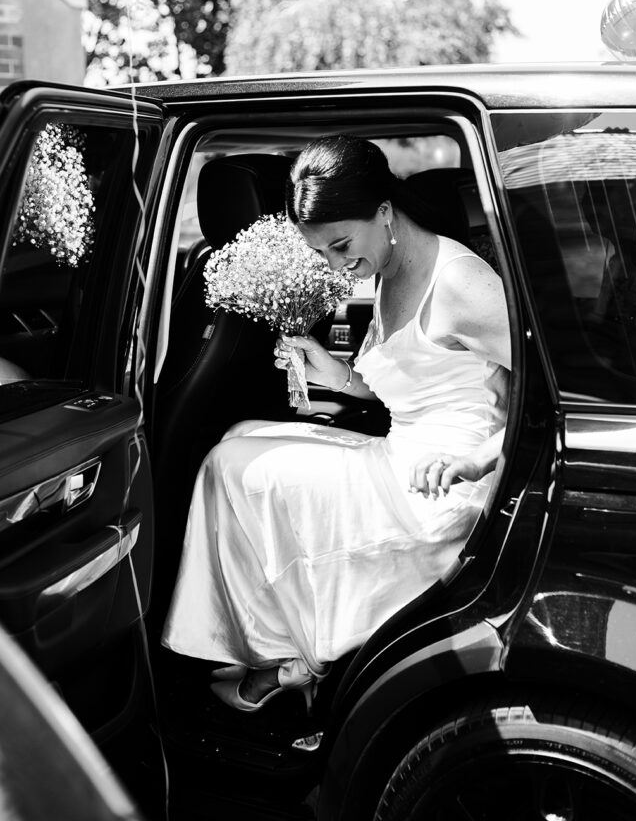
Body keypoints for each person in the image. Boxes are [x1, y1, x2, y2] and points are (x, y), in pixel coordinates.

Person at [161, 137, 511, 713]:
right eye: (321, 253)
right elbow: (417, 381)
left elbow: (552, 395)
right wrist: (336, 373)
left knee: (230, 464)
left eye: (342, 244)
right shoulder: (390, 268)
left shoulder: (459, 283)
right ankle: (282, 648)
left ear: (384, 209)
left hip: (445, 487)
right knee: (240, 436)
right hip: (403, 452)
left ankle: (288, 659)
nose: (337, 265)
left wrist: (477, 459)